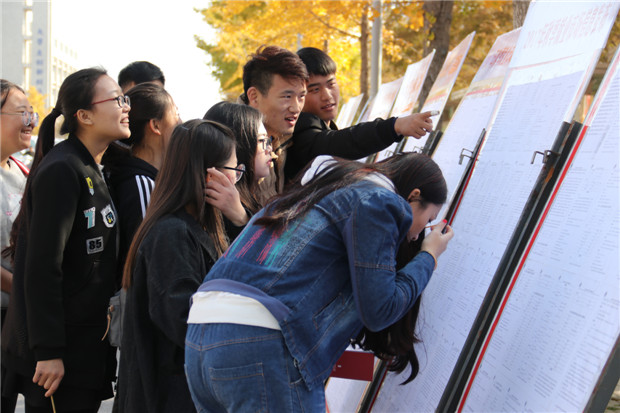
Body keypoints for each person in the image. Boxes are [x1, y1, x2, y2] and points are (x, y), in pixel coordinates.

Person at [185, 152, 454, 411]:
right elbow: (380, 308)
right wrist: (428, 256)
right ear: (413, 196)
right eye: (428, 220)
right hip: (261, 338)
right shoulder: (379, 200)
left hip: (200, 335)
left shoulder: (328, 185)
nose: (419, 235)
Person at [1, 67, 129, 411]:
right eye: (116, 99)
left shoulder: (90, 166)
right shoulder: (63, 169)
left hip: (86, 345)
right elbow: (42, 268)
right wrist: (49, 351)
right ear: (84, 116)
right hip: (60, 357)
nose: (125, 107)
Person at [117, 119, 237, 412]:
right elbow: (185, 321)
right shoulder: (171, 233)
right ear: (210, 175)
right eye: (235, 170)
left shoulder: (192, 225)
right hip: (170, 395)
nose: (237, 180)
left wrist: (241, 217)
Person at [285, 46, 435, 182]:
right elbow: (340, 143)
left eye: (331, 84)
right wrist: (393, 126)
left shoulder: (323, 126)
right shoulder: (299, 127)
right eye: (315, 90)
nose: (327, 96)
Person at [103, 82, 181, 269]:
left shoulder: (146, 178)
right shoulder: (141, 184)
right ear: (155, 125)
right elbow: (148, 257)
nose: (181, 122)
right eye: (176, 114)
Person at [0, 79, 35, 413]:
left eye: (32, 113)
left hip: (13, 316)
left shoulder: (23, 171)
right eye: (22, 113)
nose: (31, 121)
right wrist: (25, 290)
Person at [240, 45, 308, 199]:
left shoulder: (282, 135)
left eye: (301, 96)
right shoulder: (234, 145)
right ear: (254, 96)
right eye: (287, 97)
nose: (296, 108)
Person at [203, 101, 273, 238]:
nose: (269, 148)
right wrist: (241, 218)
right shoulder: (220, 206)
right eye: (261, 141)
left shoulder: (248, 197)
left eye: (268, 140)